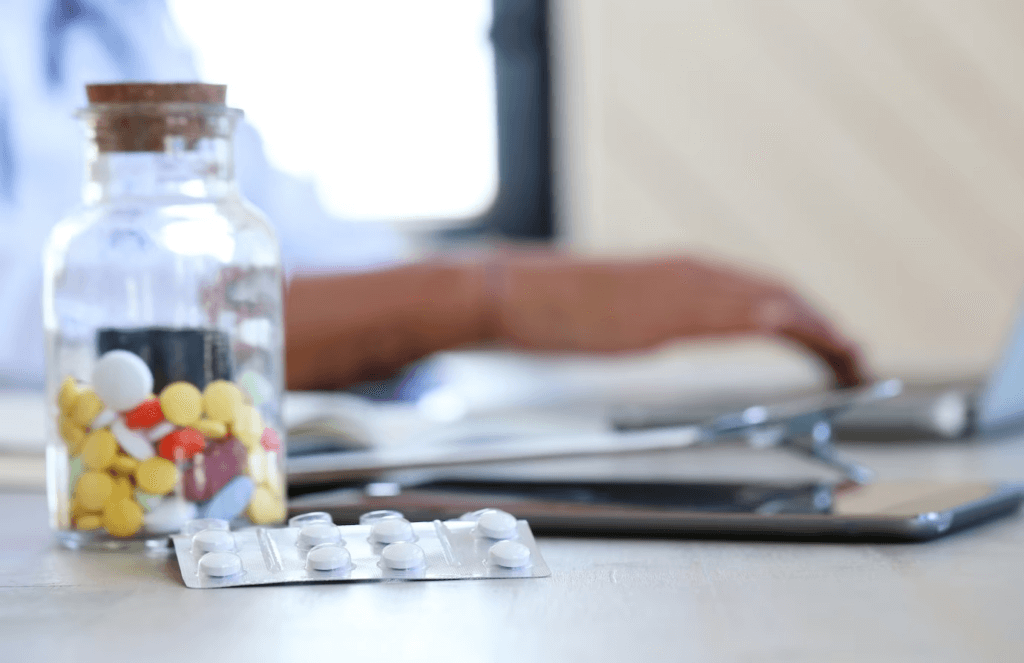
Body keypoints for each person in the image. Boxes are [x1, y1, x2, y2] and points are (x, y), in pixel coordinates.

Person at [0, 0, 866, 391]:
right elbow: (40, 328)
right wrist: (479, 296)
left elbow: (281, 234)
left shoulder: (116, 20)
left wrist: (534, 290)